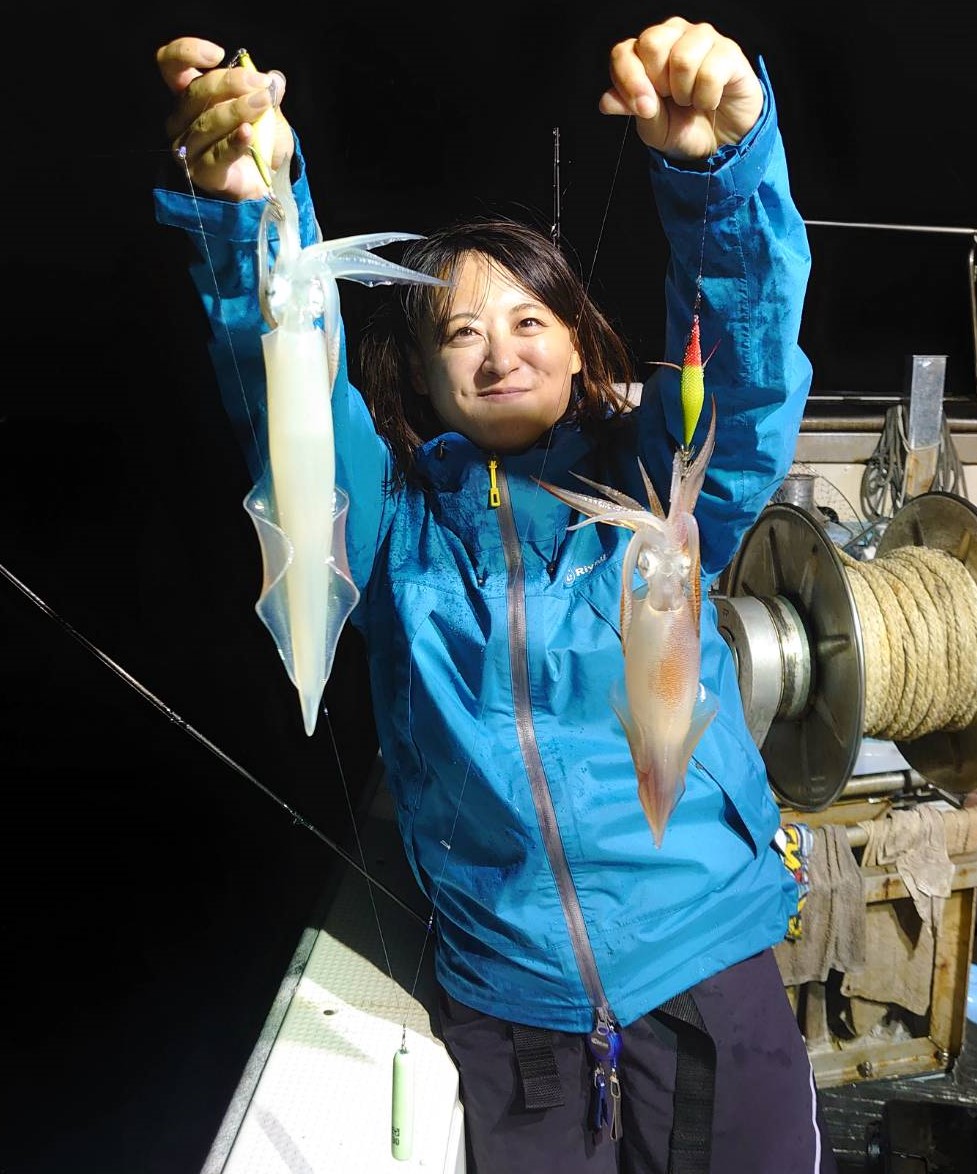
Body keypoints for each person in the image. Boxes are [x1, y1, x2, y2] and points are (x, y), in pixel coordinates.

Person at [155, 17, 837, 1173]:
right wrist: (254, 212)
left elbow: (746, 373)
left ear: (579, 347)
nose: (499, 351)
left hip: (708, 963)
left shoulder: (653, 490)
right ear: (418, 375)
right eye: (459, 333)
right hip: (507, 1007)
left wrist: (715, 173)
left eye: (530, 320)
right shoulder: (393, 529)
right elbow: (293, 392)